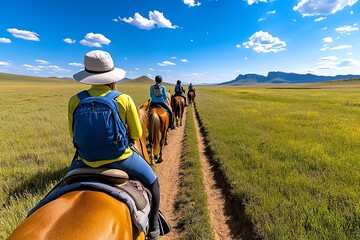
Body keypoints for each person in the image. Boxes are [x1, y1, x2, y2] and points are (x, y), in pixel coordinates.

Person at [68, 50, 160, 240]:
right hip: (120, 159)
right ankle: (154, 226)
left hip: (83, 160)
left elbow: (74, 137)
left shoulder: (75, 100)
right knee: (153, 181)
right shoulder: (123, 99)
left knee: (62, 187)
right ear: (111, 76)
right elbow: (137, 134)